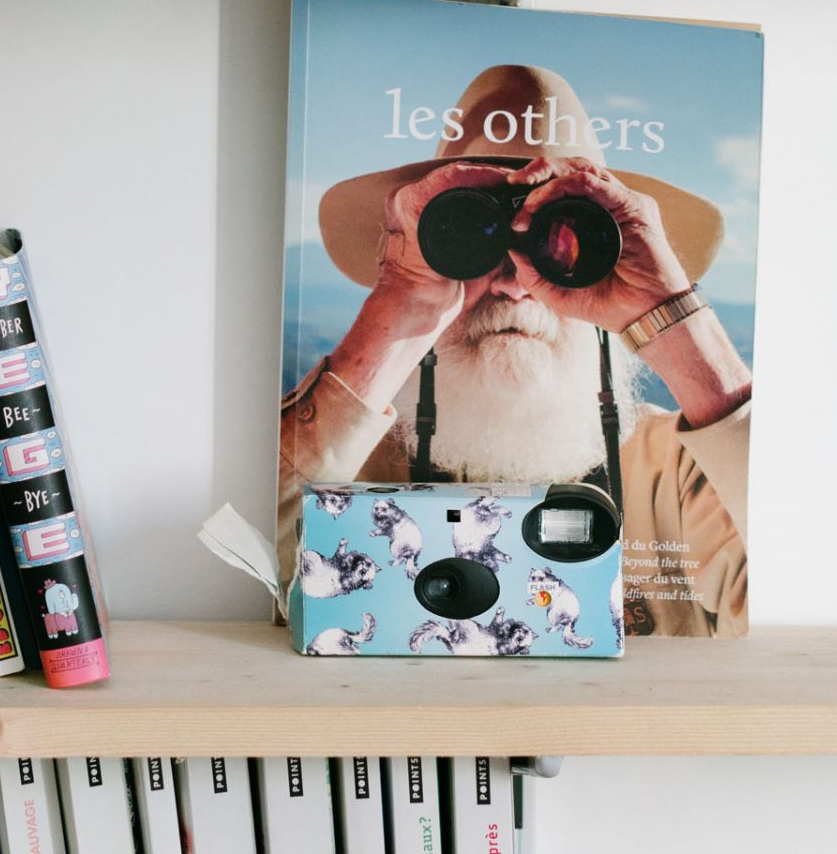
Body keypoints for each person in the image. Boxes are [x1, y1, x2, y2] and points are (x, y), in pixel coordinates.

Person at [279, 64, 751, 637]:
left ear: (614, 251)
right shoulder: (354, 467)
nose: (516, 282)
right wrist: (399, 301)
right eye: (469, 238)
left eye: (565, 242)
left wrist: (669, 308)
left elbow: (808, 583)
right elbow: (250, 569)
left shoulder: (674, 474)